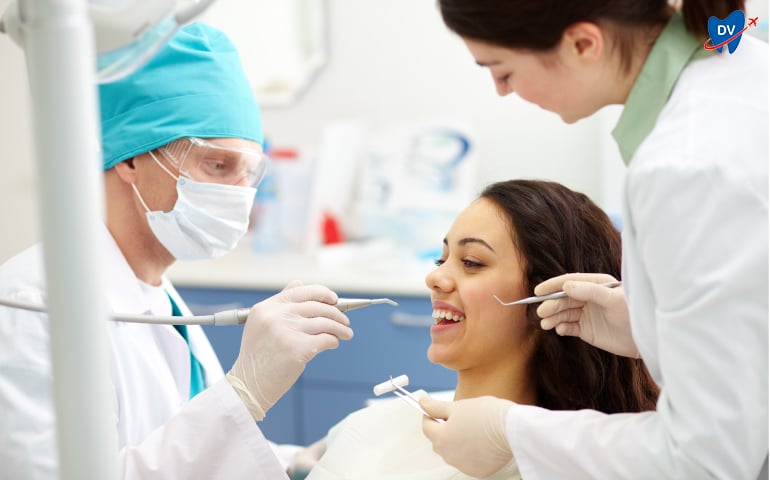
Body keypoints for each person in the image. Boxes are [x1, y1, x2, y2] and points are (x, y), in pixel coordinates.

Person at [420, 1, 768, 479]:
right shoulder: (740, 68)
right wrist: (654, 330)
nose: (501, 91)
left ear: (584, 43)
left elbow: (708, 460)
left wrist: (513, 431)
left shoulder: (686, 165)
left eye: (502, 69)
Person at [0, 23, 353, 479]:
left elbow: (183, 442)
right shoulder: (32, 306)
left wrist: (298, 462)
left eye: (250, 172)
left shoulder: (152, 289)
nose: (241, 196)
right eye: (218, 165)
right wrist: (243, 394)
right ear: (130, 158)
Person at [304, 179, 660, 479]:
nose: (435, 277)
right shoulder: (368, 426)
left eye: (471, 262)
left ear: (551, 296)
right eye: (440, 259)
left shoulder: (565, 466)